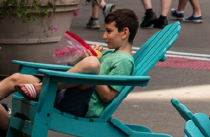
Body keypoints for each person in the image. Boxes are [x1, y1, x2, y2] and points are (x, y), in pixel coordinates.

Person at [0, 9, 138, 120]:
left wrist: (94, 70)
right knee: (16, 78)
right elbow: (71, 64)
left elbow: (108, 96)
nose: (104, 36)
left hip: (80, 104)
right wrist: (84, 56)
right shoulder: (109, 54)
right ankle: (43, 89)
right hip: (63, 90)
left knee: (92, 63)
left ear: (124, 32)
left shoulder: (125, 61)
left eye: (109, 31)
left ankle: (43, 88)